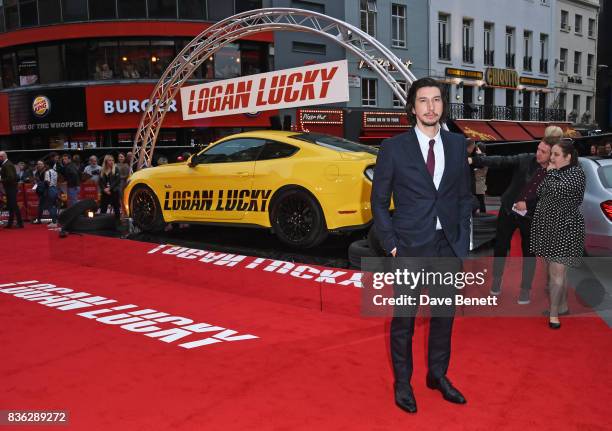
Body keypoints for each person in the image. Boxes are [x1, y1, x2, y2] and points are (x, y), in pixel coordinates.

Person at [371, 77, 472, 414]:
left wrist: (462, 243)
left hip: (447, 246)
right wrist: (392, 245)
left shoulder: (458, 145)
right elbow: (379, 203)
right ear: (412, 107)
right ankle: (403, 382)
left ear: (444, 105)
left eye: (437, 100)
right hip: (410, 248)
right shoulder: (393, 148)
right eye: (423, 101)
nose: (431, 107)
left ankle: (437, 375)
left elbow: (462, 198)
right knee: (405, 321)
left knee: (444, 317)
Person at [469, 134, 560, 304]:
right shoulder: (526, 159)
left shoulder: (555, 173)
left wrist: (528, 205)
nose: (537, 153)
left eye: (543, 152)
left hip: (531, 217)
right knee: (501, 246)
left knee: (529, 253)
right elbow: (502, 160)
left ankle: (525, 289)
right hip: (508, 210)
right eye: (538, 149)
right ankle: (497, 279)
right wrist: (477, 160)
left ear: (552, 155)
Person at [530, 139, 585, 329]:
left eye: (556, 155)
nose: (551, 158)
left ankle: (554, 315)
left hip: (564, 227)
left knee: (558, 272)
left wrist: (551, 173)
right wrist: (551, 174)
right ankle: (562, 306)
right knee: (555, 271)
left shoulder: (576, 173)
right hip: (548, 226)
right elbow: (540, 191)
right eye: (551, 154)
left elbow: (559, 190)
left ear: (568, 157)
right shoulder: (556, 173)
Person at [0, 151, 24, 228]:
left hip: (11, 188)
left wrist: (1, 179)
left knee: (13, 205)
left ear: (3, 156)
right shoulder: (7, 164)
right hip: (10, 187)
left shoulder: (7, 165)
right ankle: (11, 223)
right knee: (11, 205)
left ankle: (20, 223)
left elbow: (10, 177)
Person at [99, 155, 121, 221]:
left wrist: (109, 188)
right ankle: (101, 222)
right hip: (105, 192)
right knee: (103, 208)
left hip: (114, 191)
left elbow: (117, 181)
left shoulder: (116, 169)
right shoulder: (102, 170)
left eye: (112, 160)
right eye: (110, 160)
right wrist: (104, 189)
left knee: (116, 207)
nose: (111, 162)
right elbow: (100, 182)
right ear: (106, 161)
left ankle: (118, 221)